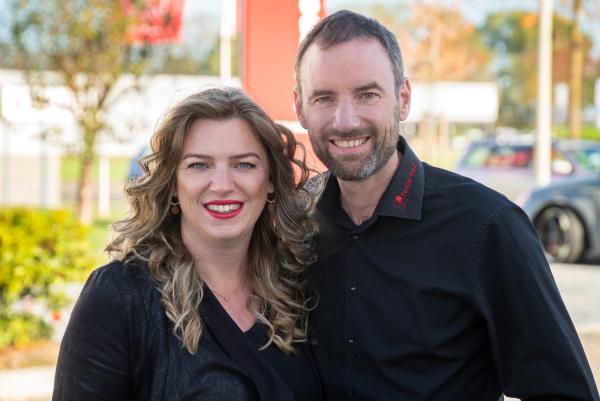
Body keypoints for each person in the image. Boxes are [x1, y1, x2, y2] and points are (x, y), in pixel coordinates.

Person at [294, 9, 600, 401]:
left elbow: (563, 392)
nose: (346, 119)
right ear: (300, 107)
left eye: (367, 94)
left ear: (402, 99)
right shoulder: (293, 223)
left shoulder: (486, 226)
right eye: (324, 97)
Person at [53, 87, 322, 401]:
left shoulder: (298, 286)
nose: (222, 185)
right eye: (199, 165)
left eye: (244, 164)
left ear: (272, 180)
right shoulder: (120, 297)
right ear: (173, 184)